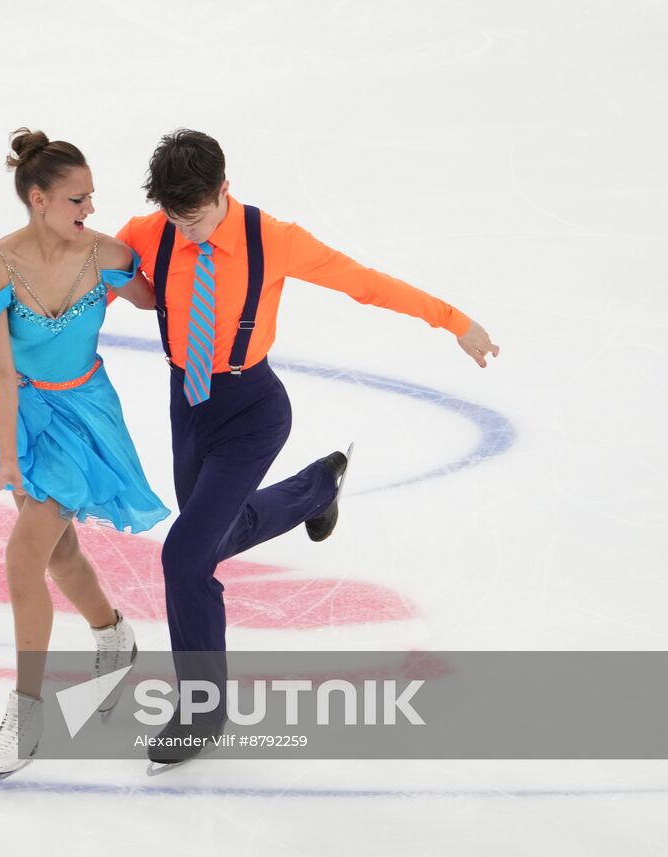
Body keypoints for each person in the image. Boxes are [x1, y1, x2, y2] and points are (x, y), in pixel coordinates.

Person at [114, 129, 499, 764]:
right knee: (215, 538)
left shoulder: (274, 240)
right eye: (176, 220)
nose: (187, 234)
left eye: (198, 217)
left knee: (186, 557)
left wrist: (454, 320)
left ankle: (202, 712)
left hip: (253, 413)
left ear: (223, 191)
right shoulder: (149, 231)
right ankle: (319, 487)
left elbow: (365, 283)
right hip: (187, 407)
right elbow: (91, 273)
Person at [0, 128, 169, 777]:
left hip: (82, 417)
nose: (89, 209)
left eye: (91, 197)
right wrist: (4, 459)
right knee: (57, 549)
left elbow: (160, 298)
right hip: (22, 414)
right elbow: (0, 371)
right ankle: (114, 634)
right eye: (77, 198)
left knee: (24, 556)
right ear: (38, 198)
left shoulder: (106, 254)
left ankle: (27, 717)